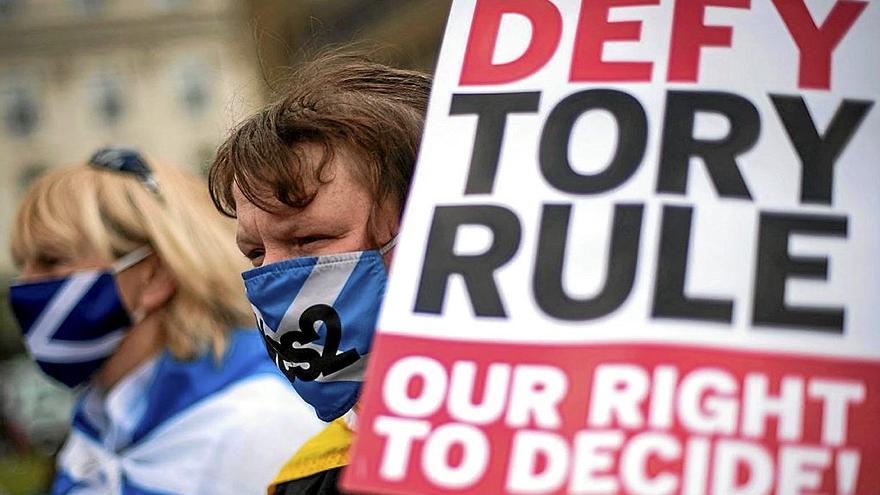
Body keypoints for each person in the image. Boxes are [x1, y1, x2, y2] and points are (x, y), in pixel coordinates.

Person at [8, 147, 324, 494]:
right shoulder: (98, 427)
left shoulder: (259, 424)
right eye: (23, 264)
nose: (26, 284)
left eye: (51, 260)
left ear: (154, 276)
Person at [207, 52, 431, 494]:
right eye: (254, 252)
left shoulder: (573, 447)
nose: (270, 273)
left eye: (308, 240)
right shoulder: (303, 480)